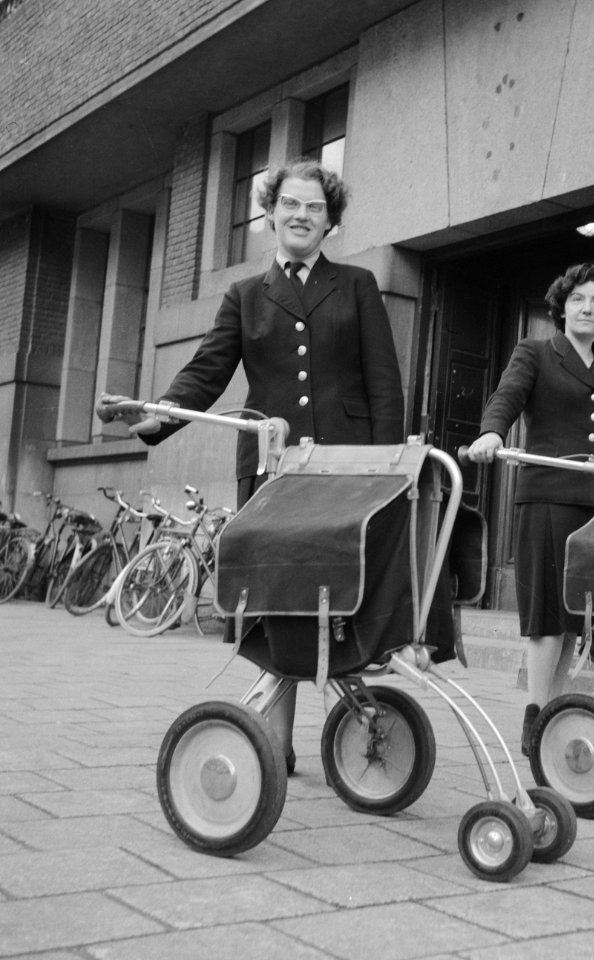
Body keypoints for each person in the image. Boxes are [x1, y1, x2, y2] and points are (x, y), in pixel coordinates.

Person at [96, 157, 405, 773]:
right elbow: (207, 371)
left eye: (315, 207)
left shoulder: (358, 285)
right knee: (274, 598)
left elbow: (384, 384)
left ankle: (354, 714)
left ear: (330, 222)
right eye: (291, 204)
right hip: (270, 471)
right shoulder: (244, 296)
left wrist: (387, 465)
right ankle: (274, 743)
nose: (302, 215)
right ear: (271, 214)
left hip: (343, 471)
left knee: (339, 594)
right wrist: (157, 415)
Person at [467, 262, 594, 755]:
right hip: (545, 499)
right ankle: (536, 717)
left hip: (591, 507)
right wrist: (493, 432)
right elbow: (507, 398)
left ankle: (554, 710)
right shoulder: (536, 351)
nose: (588, 308)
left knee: (571, 619)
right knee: (544, 617)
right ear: (562, 306)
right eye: (579, 298)